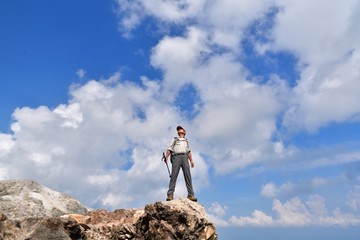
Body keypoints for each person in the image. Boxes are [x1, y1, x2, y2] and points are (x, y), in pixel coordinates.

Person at [165, 126, 197, 202]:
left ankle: (191, 195)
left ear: (184, 132)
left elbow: (188, 151)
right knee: (174, 176)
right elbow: (169, 149)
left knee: (188, 176)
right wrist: (166, 157)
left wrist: (191, 160)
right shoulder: (175, 139)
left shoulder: (186, 141)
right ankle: (170, 194)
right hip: (176, 157)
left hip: (185, 157)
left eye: (181, 129)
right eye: (178, 130)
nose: (179, 130)